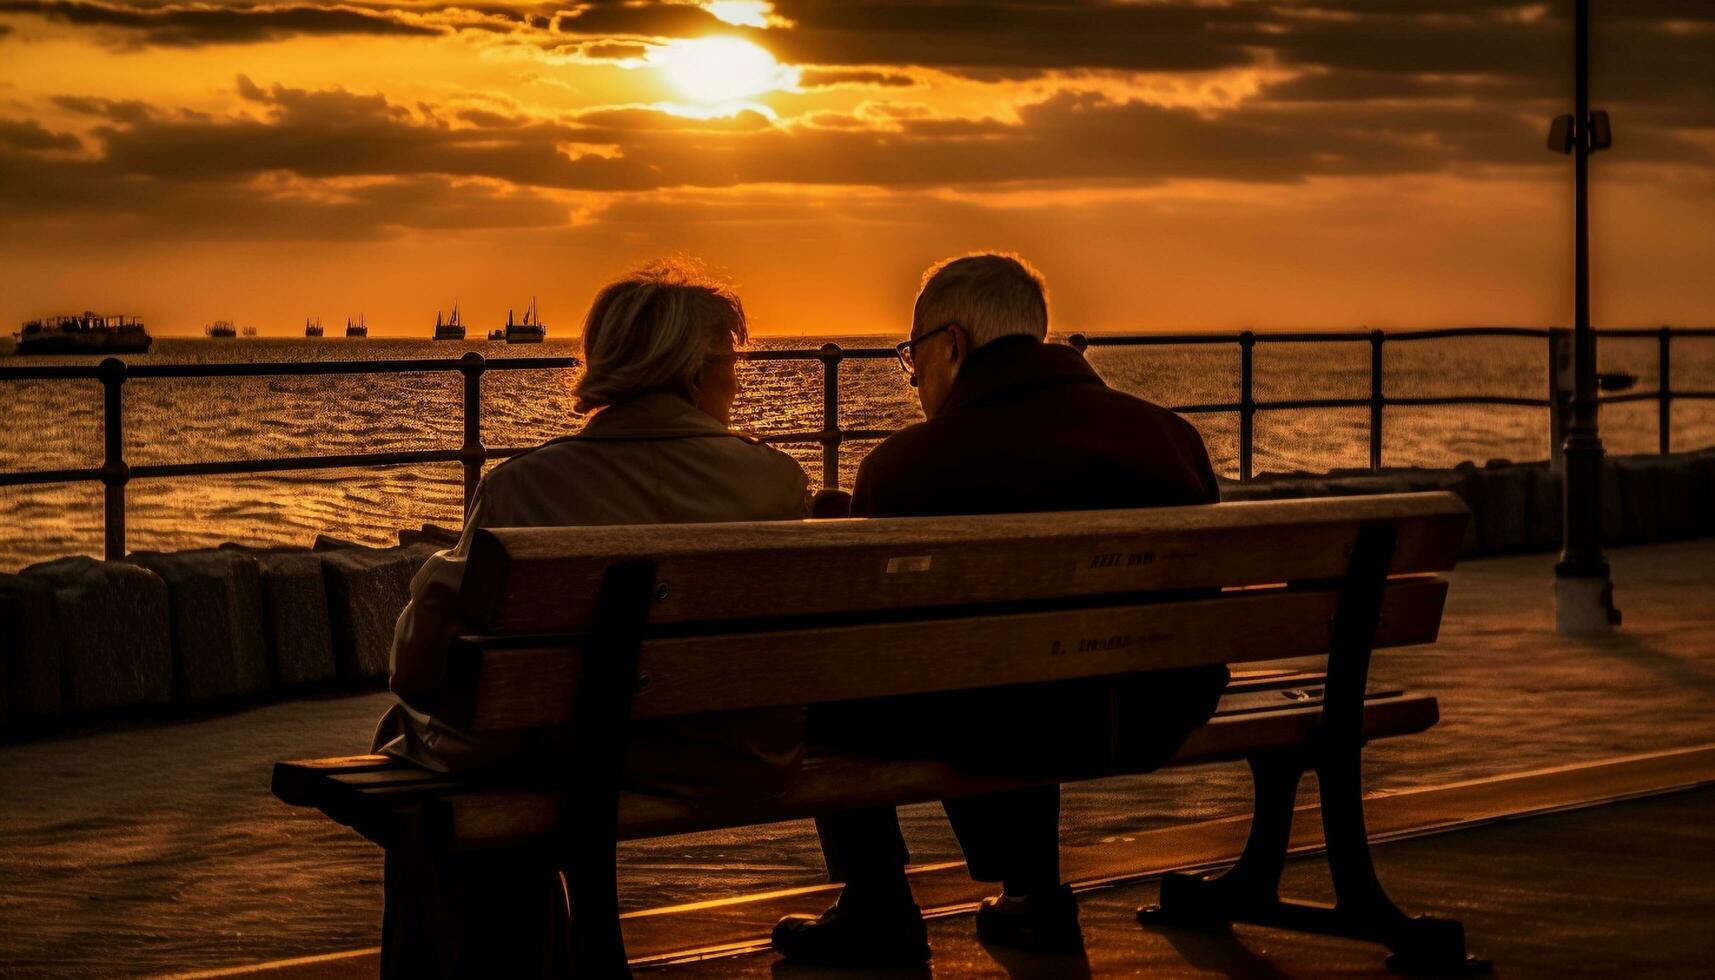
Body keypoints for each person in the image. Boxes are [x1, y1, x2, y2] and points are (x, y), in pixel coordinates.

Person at [771, 253, 1230, 967]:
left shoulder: (906, 465)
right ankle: (1031, 898)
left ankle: (877, 903)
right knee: (1021, 666)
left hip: (1009, 722)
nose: (912, 374)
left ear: (951, 345)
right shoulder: (1167, 435)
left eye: (911, 354)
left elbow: (870, 644)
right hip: (1160, 708)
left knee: (835, 681)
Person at [374, 258, 811, 799]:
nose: (739, 383)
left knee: (400, 732)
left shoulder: (523, 487)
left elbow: (418, 671)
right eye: (732, 363)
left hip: (564, 757)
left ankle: (522, 887)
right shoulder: (779, 482)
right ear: (695, 372)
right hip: (739, 758)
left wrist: (436, 576)